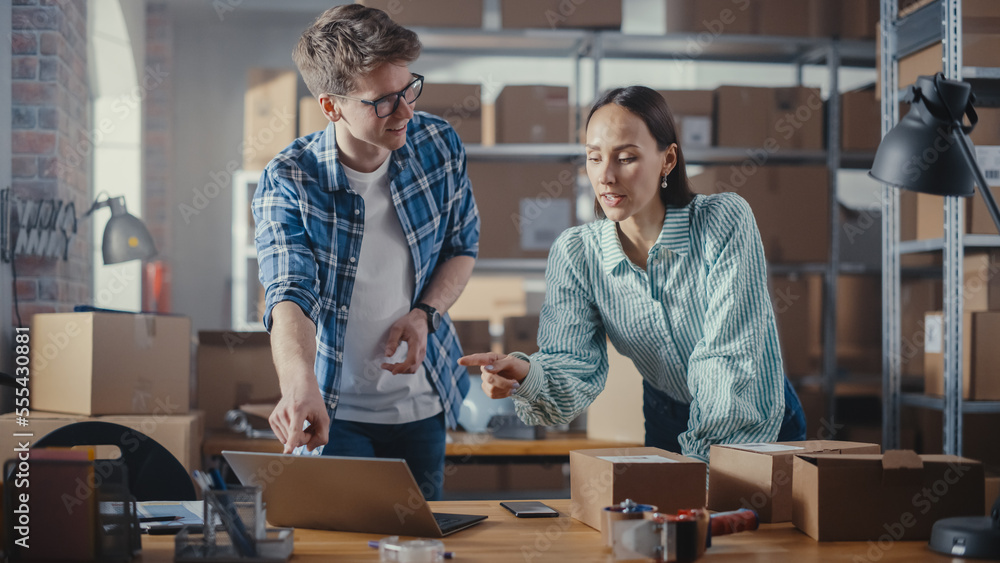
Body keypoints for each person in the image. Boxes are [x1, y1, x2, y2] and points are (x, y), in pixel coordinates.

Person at [459, 86, 806, 464]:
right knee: (665, 524)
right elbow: (574, 364)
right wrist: (526, 374)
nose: (605, 176)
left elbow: (728, 357)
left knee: (745, 523)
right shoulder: (577, 254)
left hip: (752, 416)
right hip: (666, 419)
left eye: (625, 158)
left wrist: (702, 468)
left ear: (668, 159)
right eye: (594, 158)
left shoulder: (722, 222)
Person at [253, 5, 480, 501]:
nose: (406, 112)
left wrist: (423, 315)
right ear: (331, 106)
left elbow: (463, 248)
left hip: (426, 402)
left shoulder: (438, 146)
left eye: (409, 90)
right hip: (336, 410)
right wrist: (298, 384)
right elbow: (288, 291)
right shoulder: (290, 178)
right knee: (345, 546)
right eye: (383, 102)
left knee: (421, 544)